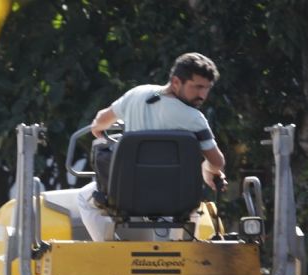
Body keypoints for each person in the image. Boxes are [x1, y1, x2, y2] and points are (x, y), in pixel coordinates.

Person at [76, 52, 228, 241]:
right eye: (197, 87)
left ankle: (109, 250)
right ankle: (178, 250)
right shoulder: (194, 119)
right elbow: (217, 162)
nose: (203, 95)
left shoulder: (136, 95)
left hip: (127, 193)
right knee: (192, 204)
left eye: (207, 88)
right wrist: (207, 170)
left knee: (83, 198)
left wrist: (98, 129)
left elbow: (100, 121)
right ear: (176, 82)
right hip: (176, 196)